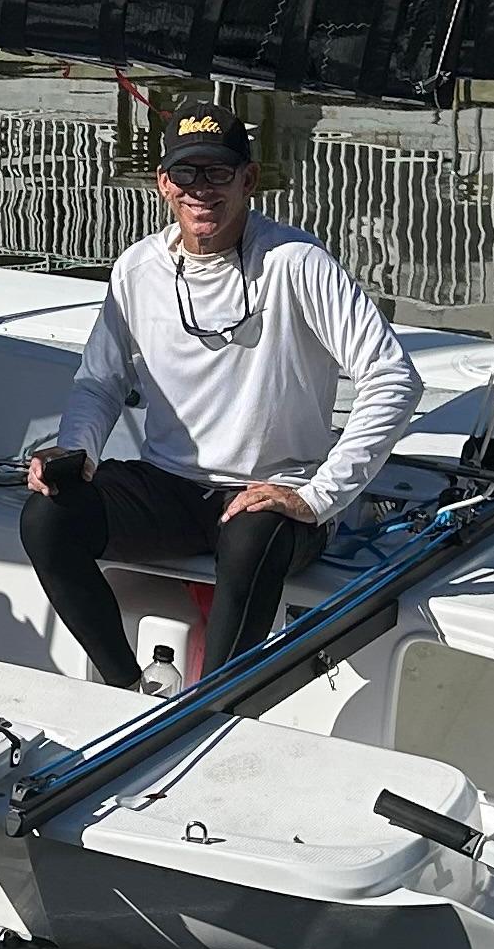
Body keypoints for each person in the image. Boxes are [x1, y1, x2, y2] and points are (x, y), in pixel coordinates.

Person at [21, 107, 421, 688]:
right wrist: (77, 452)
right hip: (168, 486)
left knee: (252, 538)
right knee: (47, 518)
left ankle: (213, 711)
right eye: (185, 175)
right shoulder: (138, 268)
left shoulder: (296, 262)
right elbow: (99, 381)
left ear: (248, 180)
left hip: (274, 489)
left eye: (217, 174)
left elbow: (392, 377)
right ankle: (125, 688)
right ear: (163, 183)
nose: (199, 190)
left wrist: (315, 496)